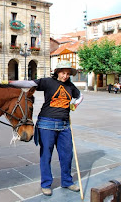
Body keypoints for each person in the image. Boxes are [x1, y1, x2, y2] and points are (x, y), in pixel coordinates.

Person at [10, 60, 83, 196]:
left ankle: (67, 181)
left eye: (67, 73)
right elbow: (29, 84)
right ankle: (46, 184)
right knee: (46, 155)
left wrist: (75, 104)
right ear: (57, 72)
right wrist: (8, 83)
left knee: (67, 155)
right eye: (63, 73)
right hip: (46, 124)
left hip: (64, 125)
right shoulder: (48, 82)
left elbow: (80, 96)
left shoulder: (70, 86)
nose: (65, 76)